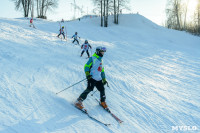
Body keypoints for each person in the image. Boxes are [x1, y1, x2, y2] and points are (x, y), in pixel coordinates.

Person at [75, 46, 108, 110]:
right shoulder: (93, 58)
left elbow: (102, 71)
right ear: (98, 51)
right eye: (102, 52)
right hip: (91, 78)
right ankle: (79, 101)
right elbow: (86, 66)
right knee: (89, 89)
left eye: (103, 52)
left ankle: (102, 102)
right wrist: (87, 74)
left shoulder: (101, 60)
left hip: (98, 79)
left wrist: (104, 79)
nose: (103, 53)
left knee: (102, 90)